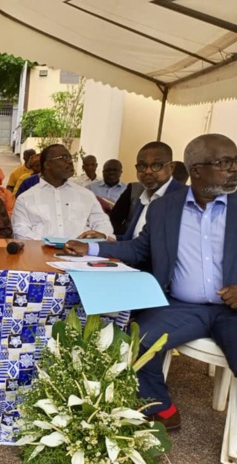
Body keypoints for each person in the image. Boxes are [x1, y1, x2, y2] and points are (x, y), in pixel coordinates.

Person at [64, 133, 237, 431]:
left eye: (235, 161)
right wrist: (93, 248)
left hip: (232, 311)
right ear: (196, 170)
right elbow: (138, 248)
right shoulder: (163, 209)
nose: (233, 169)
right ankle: (163, 410)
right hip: (181, 307)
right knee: (136, 340)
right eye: (225, 163)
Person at [12, 144, 113, 240]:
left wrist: (101, 234)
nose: (70, 162)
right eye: (64, 158)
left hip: (82, 254)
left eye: (70, 158)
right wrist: (49, 244)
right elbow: (20, 231)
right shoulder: (26, 199)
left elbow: (102, 222)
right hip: (40, 253)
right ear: (47, 164)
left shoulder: (86, 195)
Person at [117, 141, 186, 241]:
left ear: (171, 167)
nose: (147, 171)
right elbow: (134, 240)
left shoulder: (183, 198)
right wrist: (108, 238)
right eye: (141, 166)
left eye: (156, 165)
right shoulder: (143, 197)